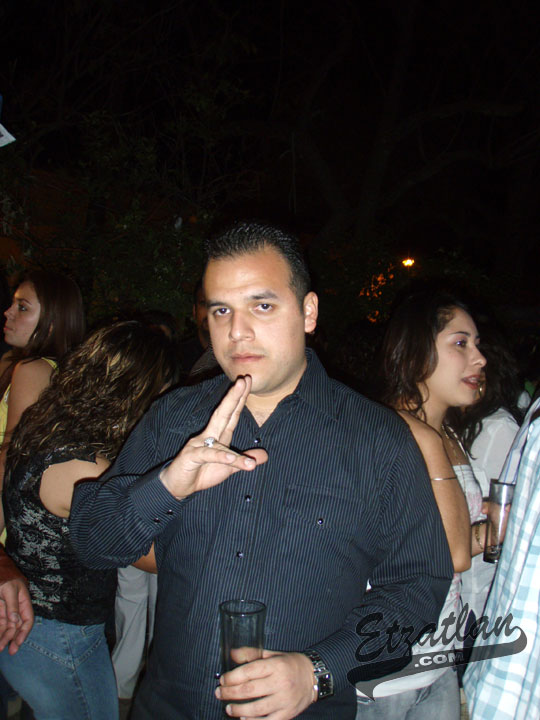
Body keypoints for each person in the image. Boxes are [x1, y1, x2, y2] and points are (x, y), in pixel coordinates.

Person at [69, 221, 453, 720]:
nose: (237, 332)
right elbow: (92, 543)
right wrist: (167, 485)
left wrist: (319, 670)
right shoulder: (174, 418)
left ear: (308, 312)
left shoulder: (377, 439)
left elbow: (419, 589)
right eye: (221, 310)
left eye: (262, 306)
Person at [0, 320, 178, 720]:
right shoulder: (85, 468)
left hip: (33, 625)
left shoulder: (44, 429)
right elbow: (151, 557)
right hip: (60, 636)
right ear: (136, 393)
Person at [355, 290, 487, 719]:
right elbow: (453, 554)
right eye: (460, 343)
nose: (479, 358)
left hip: (436, 656)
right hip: (386, 667)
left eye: (477, 343)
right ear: (415, 353)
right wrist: (501, 527)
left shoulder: (447, 435)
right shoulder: (401, 434)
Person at [463, 407, 540, 719]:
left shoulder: (501, 427)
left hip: (479, 602)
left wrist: (487, 532)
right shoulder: (444, 430)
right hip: (462, 608)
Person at [0, 270, 85, 480]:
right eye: (13, 304)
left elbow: (11, 455)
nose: (8, 312)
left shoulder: (32, 370)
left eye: (22, 307)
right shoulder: (52, 369)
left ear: (53, 321)